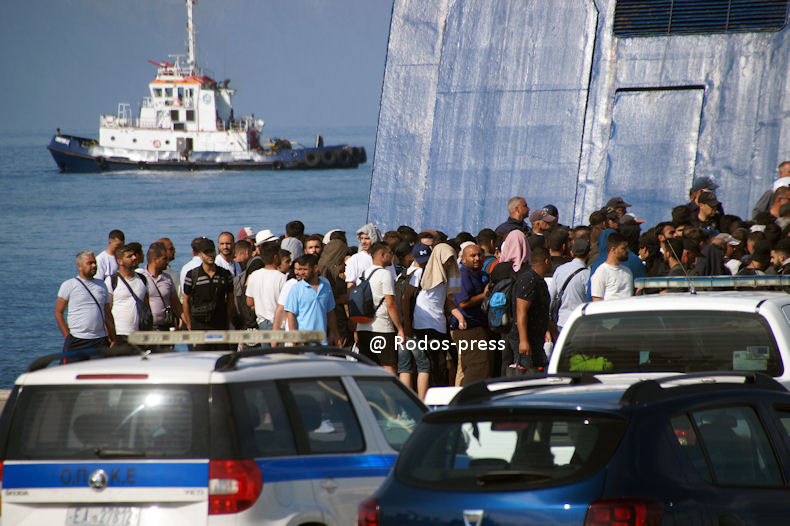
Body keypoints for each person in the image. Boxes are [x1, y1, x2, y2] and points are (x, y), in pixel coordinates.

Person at [413, 243, 466, 386]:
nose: (449, 264)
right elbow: (407, 298)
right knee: (436, 363)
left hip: (439, 325)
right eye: (447, 260)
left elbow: (447, 303)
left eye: (451, 260)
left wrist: (460, 317)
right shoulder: (421, 274)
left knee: (445, 362)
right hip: (424, 324)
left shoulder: (445, 278)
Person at [356, 242, 405, 374]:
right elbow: (390, 304)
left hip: (363, 327)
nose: (393, 257)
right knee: (389, 367)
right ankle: (389, 395)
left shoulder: (364, 274)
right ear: (383, 255)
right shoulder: (385, 274)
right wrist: (400, 329)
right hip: (382, 328)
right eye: (391, 253)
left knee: (367, 368)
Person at [56, 250, 116, 355]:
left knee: (99, 370)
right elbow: (58, 312)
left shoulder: (102, 285)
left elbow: (107, 313)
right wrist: (67, 336)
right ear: (79, 266)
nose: (94, 266)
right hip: (77, 340)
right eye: (89, 263)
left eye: (94, 262)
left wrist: (113, 336)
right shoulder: (69, 285)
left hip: (99, 339)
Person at [509, 247, 556, 372]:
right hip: (526, 338)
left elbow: (540, 311)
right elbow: (521, 311)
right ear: (546, 261)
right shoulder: (529, 280)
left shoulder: (539, 280)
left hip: (536, 338)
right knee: (527, 377)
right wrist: (523, 340)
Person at [182, 238, 234, 348]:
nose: (210, 255)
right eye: (206, 252)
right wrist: (189, 324)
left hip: (220, 324)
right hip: (199, 325)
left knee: (221, 358)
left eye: (212, 251)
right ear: (200, 254)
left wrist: (227, 321)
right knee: (200, 359)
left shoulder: (225, 274)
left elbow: (230, 299)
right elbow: (185, 300)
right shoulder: (192, 275)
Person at [451, 243, 490, 386]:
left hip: (469, 328)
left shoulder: (475, 274)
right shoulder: (462, 275)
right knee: (477, 367)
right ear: (463, 259)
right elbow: (463, 303)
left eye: (479, 255)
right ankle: (467, 402)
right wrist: (484, 295)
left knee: (465, 368)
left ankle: (458, 398)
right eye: (472, 255)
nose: (477, 258)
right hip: (468, 328)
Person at [284, 254, 339, 345]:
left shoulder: (325, 285)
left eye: (305, 269)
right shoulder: (296, 288)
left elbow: (330, 313)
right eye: (300, 269)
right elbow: (291, 315)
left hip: (322, 343)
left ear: (315, 268)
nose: (301, 273)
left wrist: (336, 336)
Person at [105, 244, 150, 343]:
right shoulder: (112, 281)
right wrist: (110, 336)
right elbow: (107, 310)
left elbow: (147, 305)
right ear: (120, 261)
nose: (134, 258)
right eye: (129, 256)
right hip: (120, 334)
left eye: (134, 255)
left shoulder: (142, 279)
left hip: (139, 334)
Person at [548, 238, 591, 332]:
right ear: (588, 254)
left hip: (562, 321)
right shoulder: (587, 275)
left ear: (572, 253)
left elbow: (551, 297)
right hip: (580, 322)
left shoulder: (560, 269)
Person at [139, 242, 181, 331]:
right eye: (164, 258)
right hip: (147, 328)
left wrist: (185, 322)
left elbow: (176, 303)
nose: (167, 261)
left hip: (164, 327)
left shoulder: (167, 278)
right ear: (155, 260)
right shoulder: (140, 277)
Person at [318, 238, 352, 347]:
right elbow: (323, 302)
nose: (345, 265)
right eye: (342, 261)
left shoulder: (322, 272)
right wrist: (341, 299)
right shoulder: (325, 277)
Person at [245, 243, 287, 332]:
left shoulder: (254, 275)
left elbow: (249, 302)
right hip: (279, 325)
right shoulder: (282, 278)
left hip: (262, 323)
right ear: (276, 257)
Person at [590, 233, 634, 300]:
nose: (627, 251)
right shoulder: (601, 272)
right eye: (623, 248)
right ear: (613, 250)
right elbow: (597, 301)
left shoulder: (627, 271)